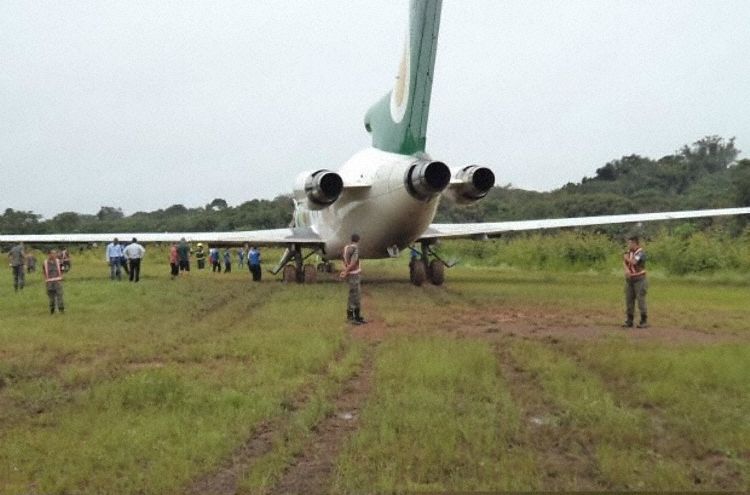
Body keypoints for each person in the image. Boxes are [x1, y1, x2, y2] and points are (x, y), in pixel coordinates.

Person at [622, 235, 648, 328]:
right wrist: (626, 270)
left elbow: (634, 262)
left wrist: (626, 258)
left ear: (634, 243)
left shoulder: (640, 253)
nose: (628, 245)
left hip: (640, 279)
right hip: (630, 280)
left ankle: (644, 321)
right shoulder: (628, 252)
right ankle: (629, 320)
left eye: (630, 243)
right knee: (629, 300)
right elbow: (624, 262)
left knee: (641, 300)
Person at [340, 234, 366, 324]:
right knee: (355, 295)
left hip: (350, 274)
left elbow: (343, 260)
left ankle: (356, 316)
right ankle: (352, 317)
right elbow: (353, 263)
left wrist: (345, 270)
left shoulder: (346, 248)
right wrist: (346, 271)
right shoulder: (355, 249)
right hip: (354, 274)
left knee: (354, 294)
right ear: (358, 240)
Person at [43, 249, 65, 314]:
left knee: (60, 296)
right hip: (49, 282)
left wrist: (61, 276)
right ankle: (52, 310)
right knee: (51, 298)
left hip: (57, 281)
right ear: (49, 254)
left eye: (55, 253)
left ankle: (61, 309)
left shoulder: (59, 261)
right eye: (52, 253)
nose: (54, 255)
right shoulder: (45, 262)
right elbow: (44, 271)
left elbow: (62, 268)